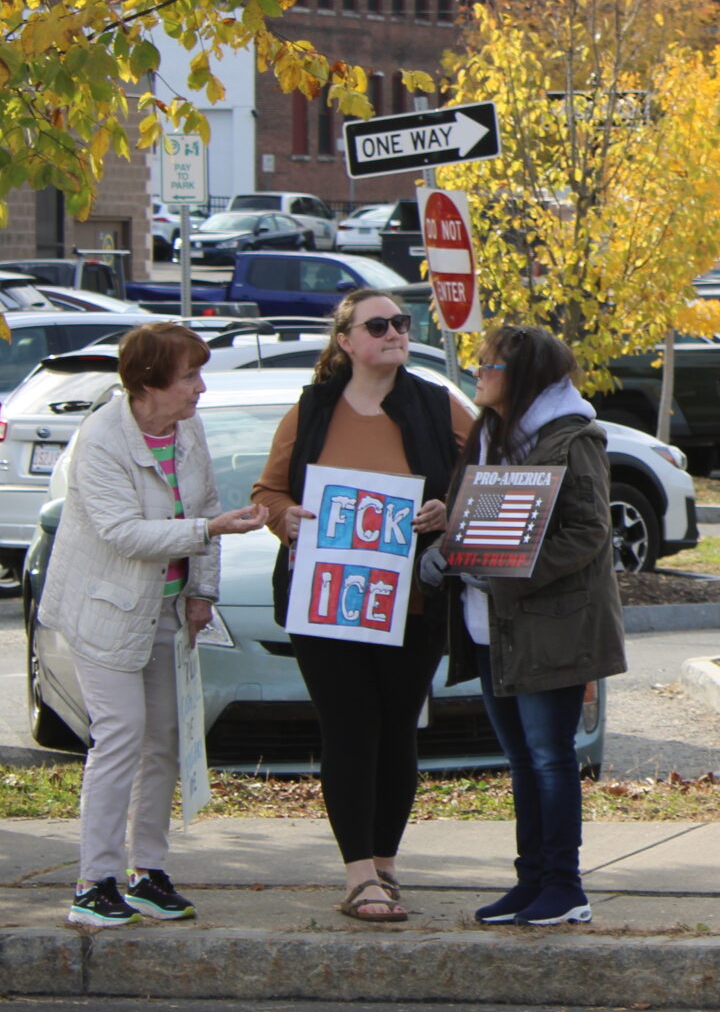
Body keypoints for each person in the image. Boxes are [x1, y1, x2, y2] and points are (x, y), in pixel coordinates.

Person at [37, 323, 269, 926]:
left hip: (166, 610)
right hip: (104, 613)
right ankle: (94, 881)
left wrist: (202, 592)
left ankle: (147, 873)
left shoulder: (186, 428)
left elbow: (207, 504)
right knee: (120, 736)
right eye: (190, 375)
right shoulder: (102, 437)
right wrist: (208, 533)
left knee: (163, 739)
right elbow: (123, 533)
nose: (200, 388)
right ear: (149, 381)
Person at [253, 289, 470, 921]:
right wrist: (286, 517)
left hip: (412, 603)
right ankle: (358, 877)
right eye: (379, 325)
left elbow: (486, 473)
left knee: (398, 729)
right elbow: (269, 491)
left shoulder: (435, 404)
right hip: (325, 602)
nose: (396, 333)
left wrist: (446, 511)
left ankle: (386, 864)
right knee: (348, 729)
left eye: (402, 323)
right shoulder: (314, 408)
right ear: (346, 340)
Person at [434, 324, 626, 927]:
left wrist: (507, 574)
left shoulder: (573, 438)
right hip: (491, 626)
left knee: (550, 757)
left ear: (520, 378)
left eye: (487, 367)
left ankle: (565, 887)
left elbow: (589, 531)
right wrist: (450, 541)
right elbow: (479, 514)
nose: (478, 376)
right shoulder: (491, 433)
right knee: (521, 759)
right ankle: (530, 881)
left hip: (549, 627)